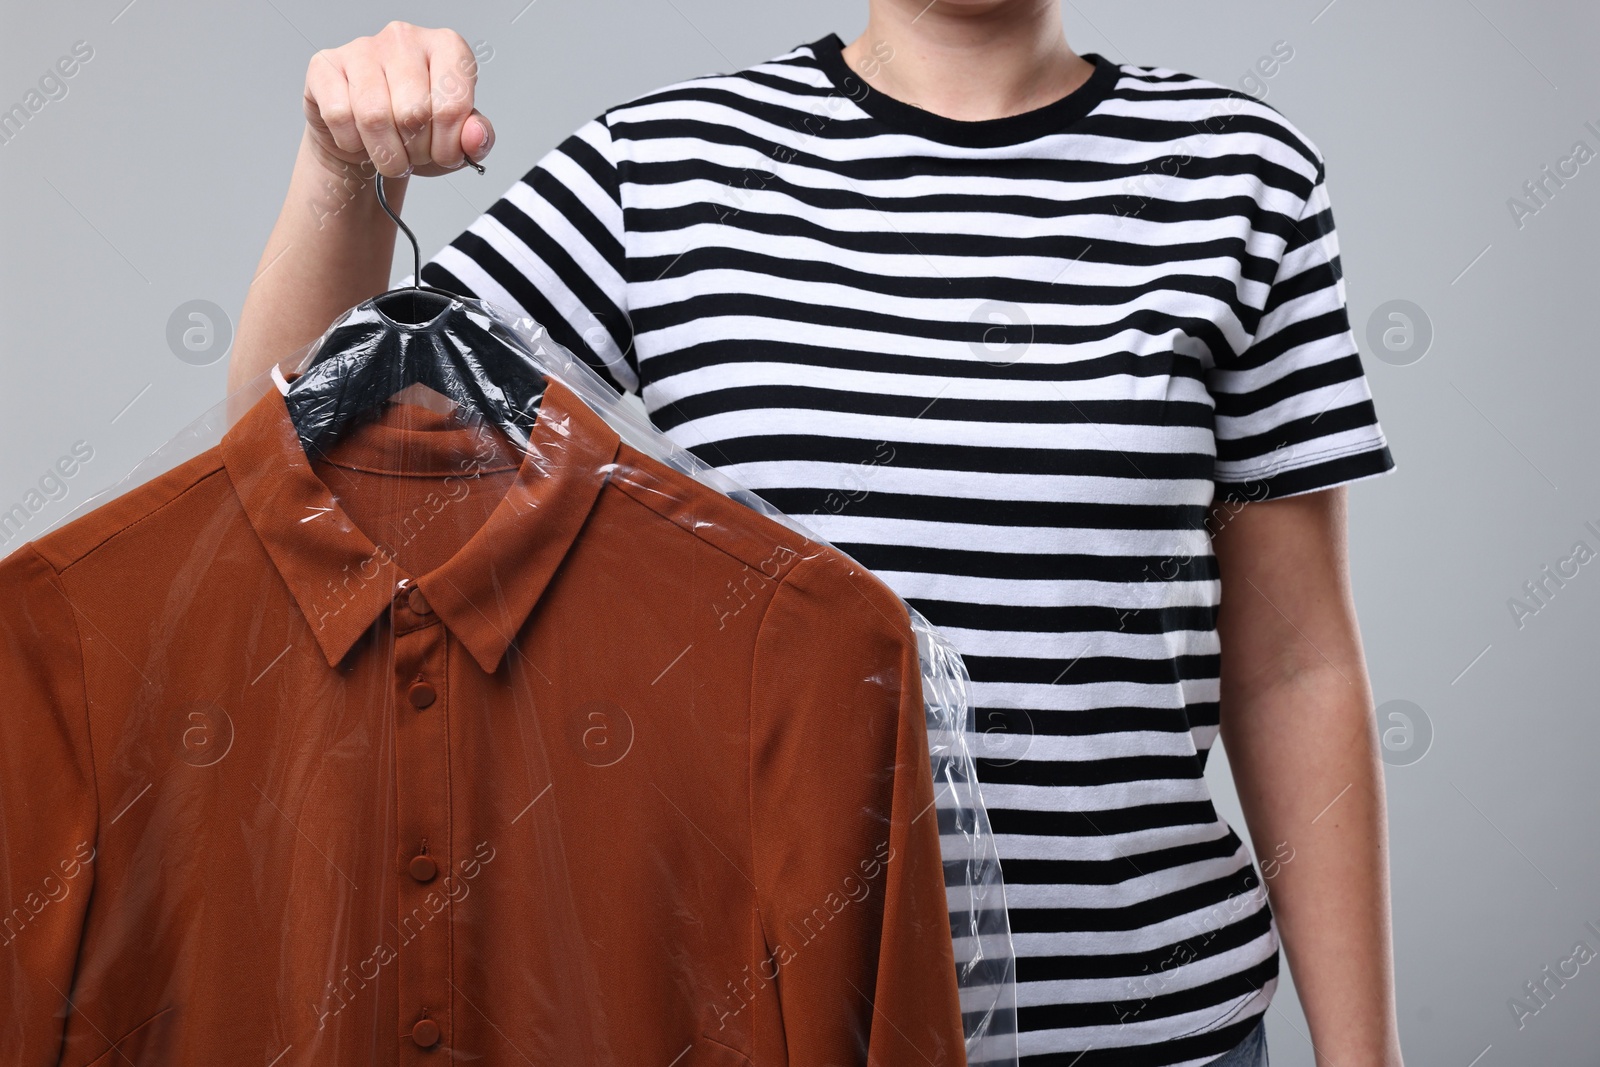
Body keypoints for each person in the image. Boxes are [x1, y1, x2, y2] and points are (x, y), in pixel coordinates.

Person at [227, 4, 1406, 1065]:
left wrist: (1365, 1058)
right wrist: (338, 171)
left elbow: (1293, 662)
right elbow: (288, 459)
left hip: (1157, 1030)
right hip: (777, 1023)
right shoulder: (666, 169)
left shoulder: (1238, 176)